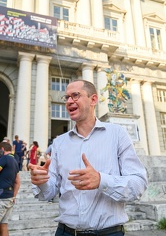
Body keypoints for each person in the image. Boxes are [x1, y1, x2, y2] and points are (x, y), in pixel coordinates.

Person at [29, 80, 148, 236]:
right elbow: (48, 193)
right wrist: (42, 182)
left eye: (75, 95)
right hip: (66, 232)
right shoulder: (59, 143)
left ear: (93, 100)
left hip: (109, 232)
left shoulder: (117, 134)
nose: (69, 101)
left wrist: (101, 180)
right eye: (67, 98)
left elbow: (138, 184)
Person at [0, 142, 20, 236]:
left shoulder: (4, 159)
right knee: (3, 225)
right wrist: (14, 196)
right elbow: (17, 181)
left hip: (2, 197)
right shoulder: (14, 161)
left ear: (2, 149)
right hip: (9, 197)